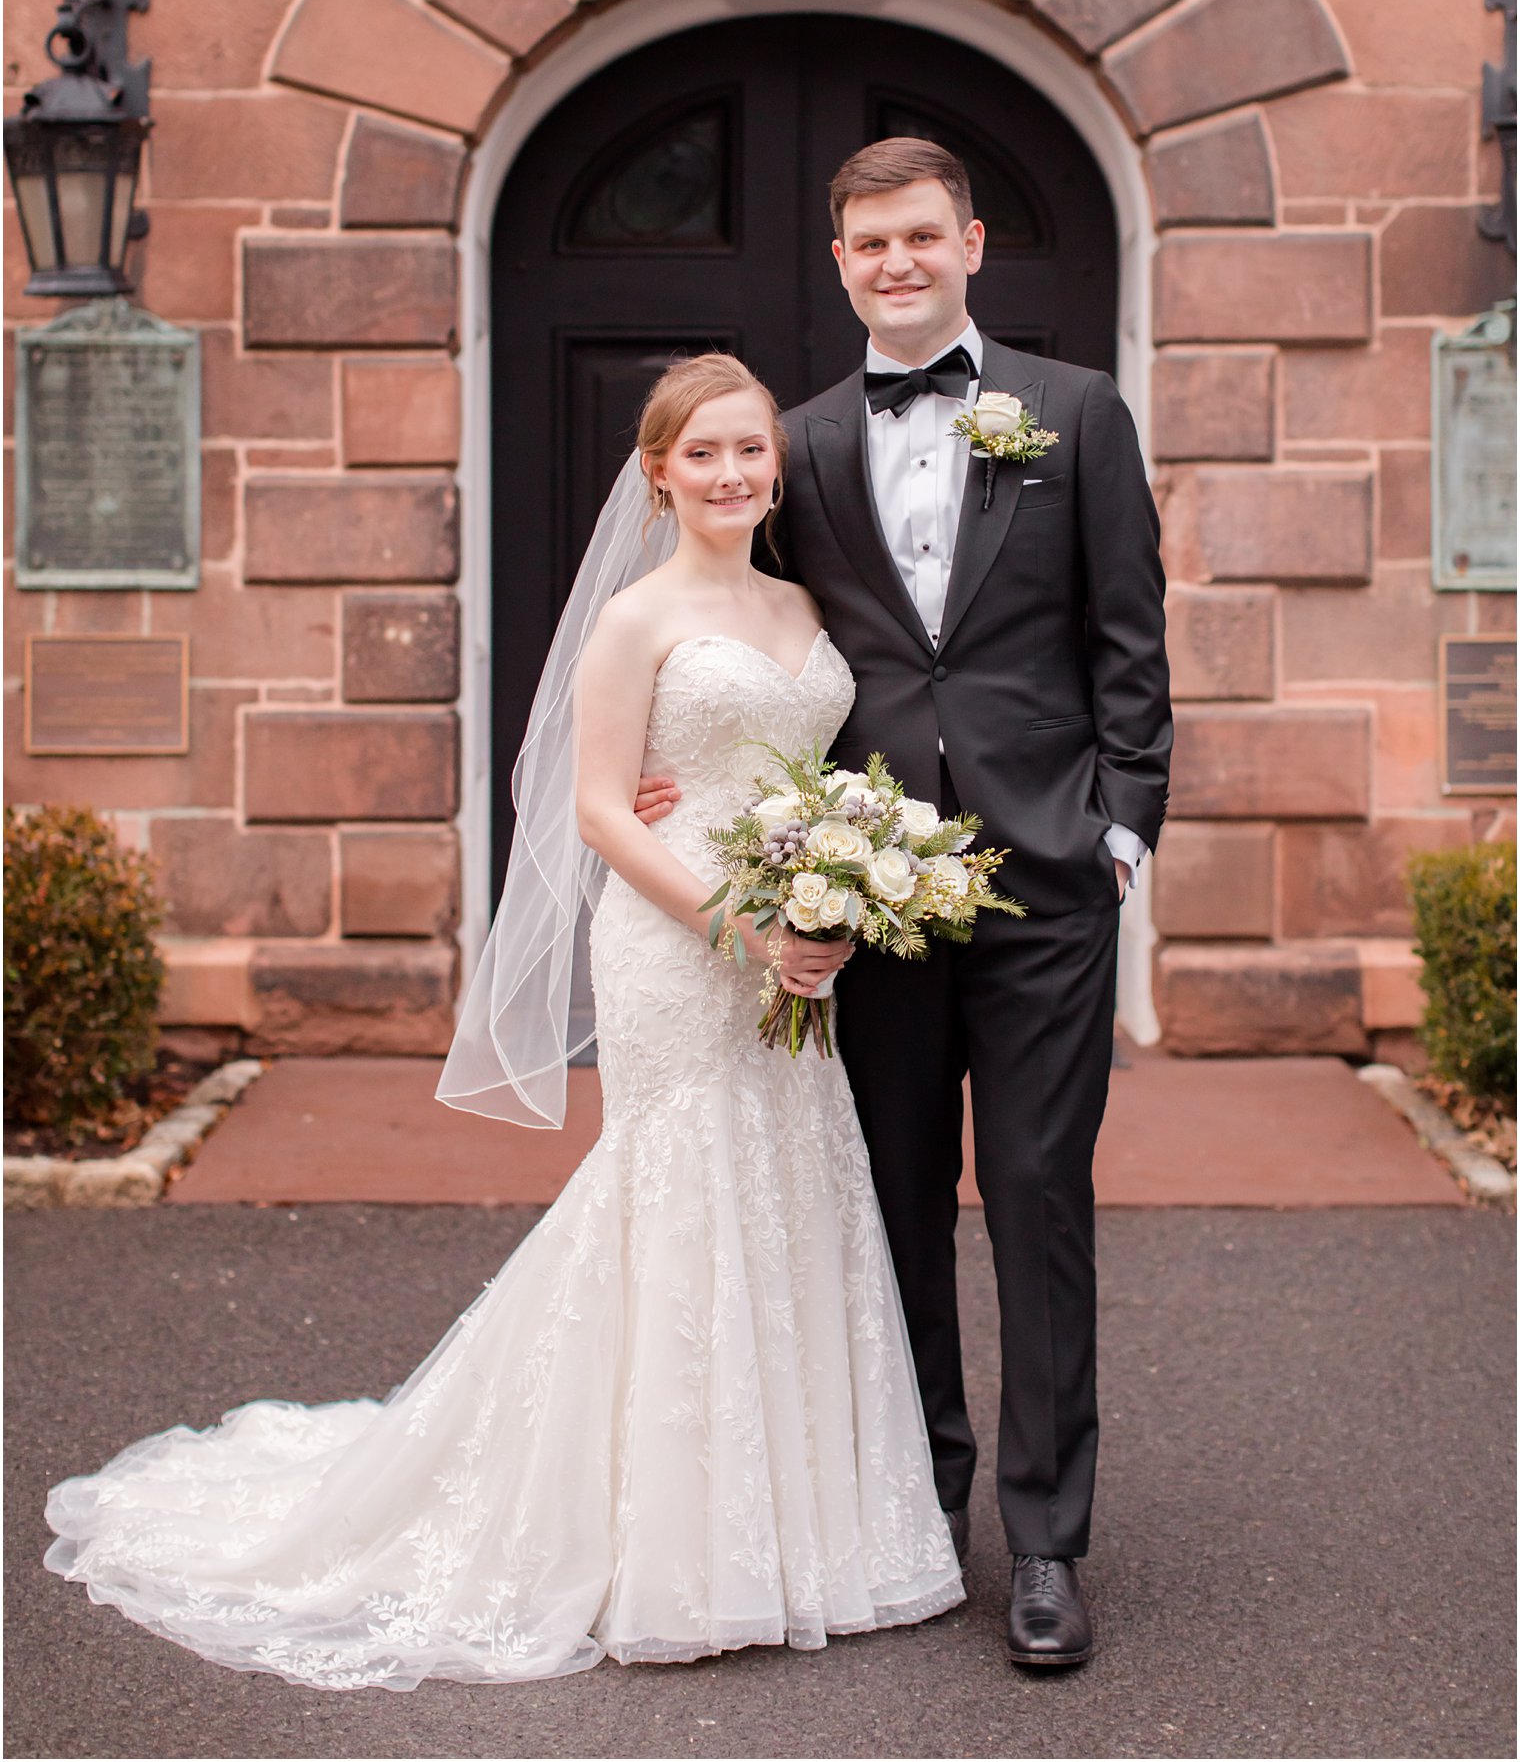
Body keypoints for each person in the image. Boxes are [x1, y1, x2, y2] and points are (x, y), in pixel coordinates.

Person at [42, 352, 962, 1691]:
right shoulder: (636, 619)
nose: (729, 472)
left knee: (788, 1175)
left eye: (749, 449)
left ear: (777, 463)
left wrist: (828, 886)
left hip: (795, 933)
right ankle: (672, 1546)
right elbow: (598, 806)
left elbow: (823, 764)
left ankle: (804, 1529)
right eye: (700, 452)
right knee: (679, 1189)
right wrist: (741, 920)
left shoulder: (811, 598)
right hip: (680, 933)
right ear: (658, 470)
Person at [636, 140, 1172, 1667]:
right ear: (841, 258)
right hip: (864, 895)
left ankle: (1049, 1538)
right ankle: (916, 1504)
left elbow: (1130, 640)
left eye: (920, 236)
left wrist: (1119, 836)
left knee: (1039, 1198)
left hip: (1047, 885)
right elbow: (743, 608)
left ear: (972, 243)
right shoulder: (796, 441)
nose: (896, 262)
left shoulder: (1075, 411)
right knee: (889, 1206)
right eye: (869, 242)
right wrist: (695, 768)